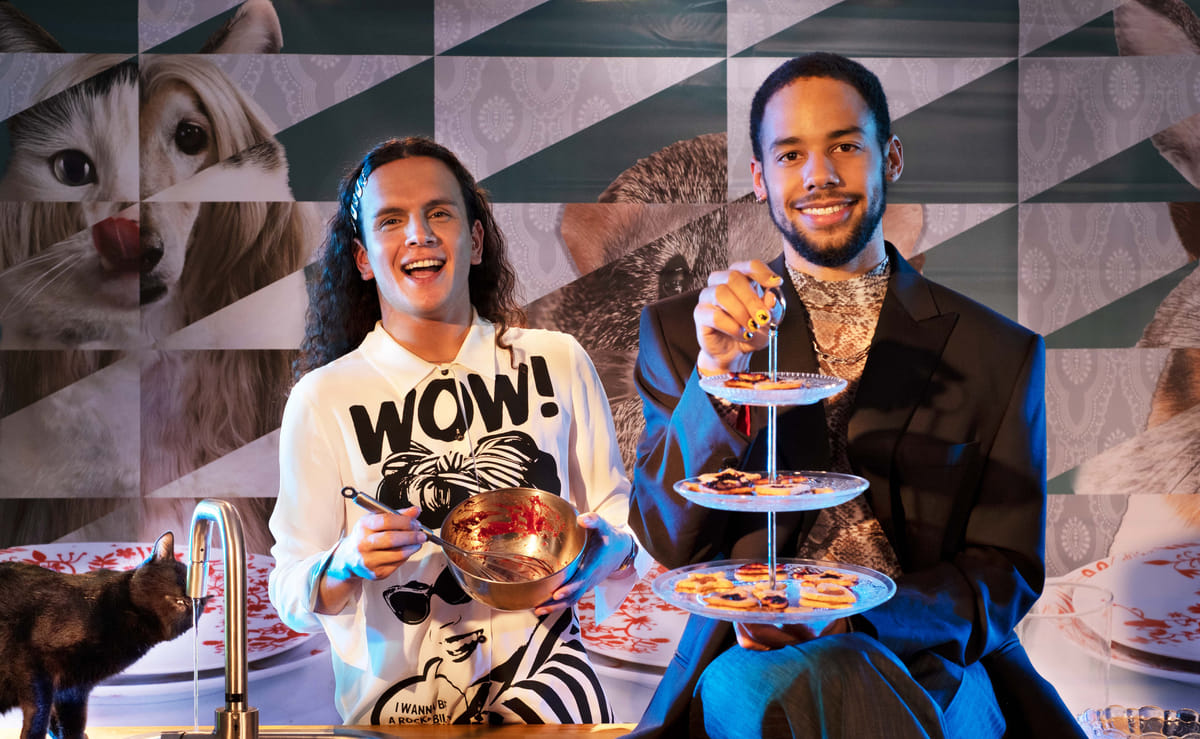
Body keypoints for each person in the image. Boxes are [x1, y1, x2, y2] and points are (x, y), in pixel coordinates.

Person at [627, 53, 1085, 738]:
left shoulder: (995, 352)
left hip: (934, 666)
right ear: (759, 177)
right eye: (790, 155)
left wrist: (851, 621)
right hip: (750, 661)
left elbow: (1004, 571)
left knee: (825, 679)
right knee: (789, 684)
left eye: (844, 145)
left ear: (890, 157)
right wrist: (717, 375)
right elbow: (669, 538)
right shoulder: (685, 332)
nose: (819, 174)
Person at [267, 136, 644, 726]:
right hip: (399, 721)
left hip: (555, 713)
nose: (419, 234)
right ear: (363, 258)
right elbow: (290, 587)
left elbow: (619, 518)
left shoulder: (558, 359)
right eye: (391, 220)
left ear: (476, 241)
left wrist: (611, 549)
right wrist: (345, 561)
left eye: (439, 213)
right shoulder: (323, 398)